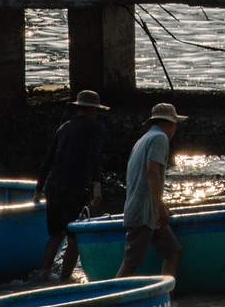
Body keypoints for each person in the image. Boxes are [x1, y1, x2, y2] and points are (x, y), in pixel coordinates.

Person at [36, 89, 107, 279]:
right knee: (74, 238)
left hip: (52, 185)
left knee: (56, 234)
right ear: (93, 110)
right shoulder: (96, 128)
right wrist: (97, 185)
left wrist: (38, 188)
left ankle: (44, 273)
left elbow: (48, 159)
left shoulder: (63, 128)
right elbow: (93, 156)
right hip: (74, 186)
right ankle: (64, 281)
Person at [119, 101, 187, 278]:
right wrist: (160, 205)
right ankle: (111, 300)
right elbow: (152, 171)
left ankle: (167, 300)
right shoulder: (160, 138)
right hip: (144, 213)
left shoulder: (143, 139)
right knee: (130, 265)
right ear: (171, 124)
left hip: (149, 213)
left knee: (173, 252)